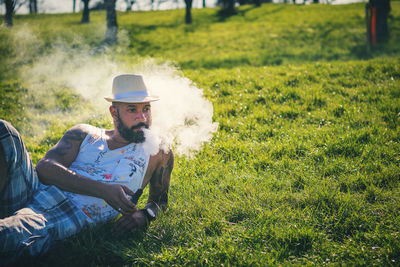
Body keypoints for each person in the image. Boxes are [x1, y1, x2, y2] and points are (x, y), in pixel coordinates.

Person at [0, 74, 173, 264]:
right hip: (33, 190)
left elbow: (159, 201)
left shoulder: (158, 150)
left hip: (64, 213)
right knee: (4, 130)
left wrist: (145, 215)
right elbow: (44, 169)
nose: (143, 117)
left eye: (146, 109)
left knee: (7, 233)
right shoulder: (84, 133)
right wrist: (103, 190)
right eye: (132, 109)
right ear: (114, 112)